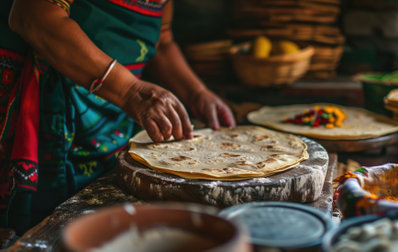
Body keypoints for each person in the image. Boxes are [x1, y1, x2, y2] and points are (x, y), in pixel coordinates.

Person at [0, 0, 235, 234]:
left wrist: (197, 93)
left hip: (115, 111)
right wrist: (129, 90)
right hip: (50, 103)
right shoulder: (128, 92)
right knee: (45, 227)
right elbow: (31, 14)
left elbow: (161, 43)